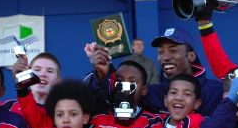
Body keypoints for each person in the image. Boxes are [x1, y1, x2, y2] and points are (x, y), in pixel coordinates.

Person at [84, 27, 223, 116]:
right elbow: (114, 96)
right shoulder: (152, 93)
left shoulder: (216, 91)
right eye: (160, 52)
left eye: (173, 50)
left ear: (191, 56)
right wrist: (103, 72)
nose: (165, 57)